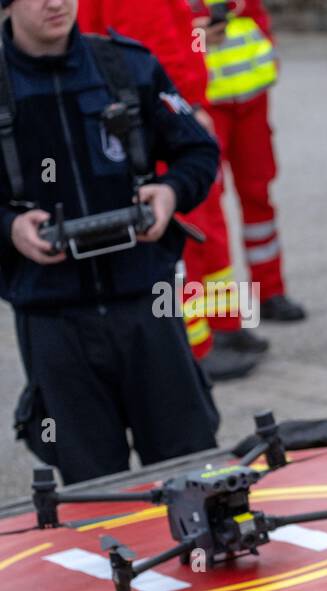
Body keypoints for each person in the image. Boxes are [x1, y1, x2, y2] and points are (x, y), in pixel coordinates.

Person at [1, 0, 221, 483]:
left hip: (147, 307)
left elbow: (200, 151)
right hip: (53, 320)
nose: (56, 3)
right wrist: (10, 227)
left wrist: (169, 192)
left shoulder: (127, 66)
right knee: (95, 497)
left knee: (194, 476)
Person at [78, 0, 263, 381]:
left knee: (207, 227)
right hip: (167, 111)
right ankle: (195, 347)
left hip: (169, 104)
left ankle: (222, 324)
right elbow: (152, 48)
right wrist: (190, 106)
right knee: (187, 230)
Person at [193, 1, 307, 322]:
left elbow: (256, 17)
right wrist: (198, 37)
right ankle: (218, 314)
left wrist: (267, 47)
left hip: (251, 101)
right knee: (208, 206)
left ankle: (269, 291)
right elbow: (165, 41)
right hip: (205, 104)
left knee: (258, 196)